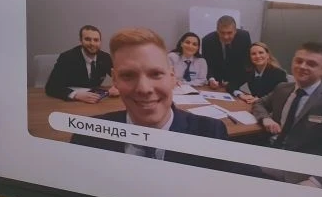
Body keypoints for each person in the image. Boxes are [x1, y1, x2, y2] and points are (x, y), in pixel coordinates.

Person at [69, 28, 229, 163]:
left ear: (173, 77)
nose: (144, 89)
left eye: (156, 74)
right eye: (128, 75)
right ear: (115, 80)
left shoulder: (212, 134)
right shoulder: (87, 135)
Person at [250, 42, 322, 190]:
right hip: (270, 150)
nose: (302, 66)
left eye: (311, 64)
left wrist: (317, 182)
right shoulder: (282, 88)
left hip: (301, 172)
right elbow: (259, 103)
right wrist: (265, 118)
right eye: (299, 61)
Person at [44, 25, 114, 102]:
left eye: (96, 40)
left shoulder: (105, 57)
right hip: (72, 103)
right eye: (87, 39)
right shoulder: (67, 58)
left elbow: (119, 76)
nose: (92, 43)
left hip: (95, 99)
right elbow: (51, 87)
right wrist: (75, 95)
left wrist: (117, 87)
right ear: (81, 41)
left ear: (100, 42)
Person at [200, 15, 252, 89]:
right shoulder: (207, 41)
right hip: (215, 83)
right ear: (217, 31)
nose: (226, 37)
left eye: (229, 33)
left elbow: (247, 63)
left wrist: (234, 83)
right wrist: (211, 79)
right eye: (222, 33)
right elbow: (207, 65)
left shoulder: (244, 37)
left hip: (236, 79)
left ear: (235, 31)